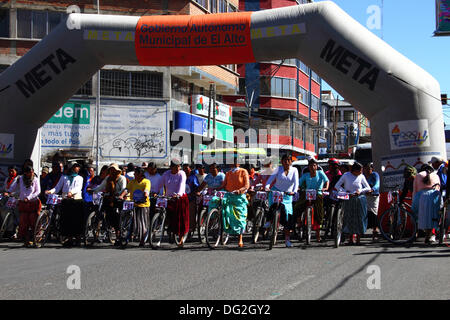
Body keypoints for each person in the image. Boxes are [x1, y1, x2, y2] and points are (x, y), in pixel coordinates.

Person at [215, 153, 250, 248]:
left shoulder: (243, 171)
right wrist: (216, 189)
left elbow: (247, 185)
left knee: (240, 218)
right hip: (229, 196)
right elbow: (224, 185)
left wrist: (239, 191)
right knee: (226, 214)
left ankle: (240, 238)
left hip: (239, 197)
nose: (233, 163)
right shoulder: (228, 173)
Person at [46, 163, 84, 247]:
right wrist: (50, 191)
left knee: (76, 220)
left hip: (76, 200)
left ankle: (78, 238)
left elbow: (78, 188)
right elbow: (57, 187)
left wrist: (71, 192)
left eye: (78, 167)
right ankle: (69, 238)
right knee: (66, 220)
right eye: (75, 167)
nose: (77, 168)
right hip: (66, 200)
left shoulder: (79, 178)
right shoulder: (64, 177)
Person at [265, 154, 299, 247]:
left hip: (288, 194)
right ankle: (269, 221)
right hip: (276, 192)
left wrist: (294, 191)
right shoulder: (278, 169)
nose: (287, 162)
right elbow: (270, 180)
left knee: (287, 216)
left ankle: (287, 239)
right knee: (273, 205)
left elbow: (296, 183)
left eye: (289, 160)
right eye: (285, 160)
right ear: (282, 161)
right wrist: (267, 187)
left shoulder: (294, 170)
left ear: (291, 162)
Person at [88, 163, 127, 245]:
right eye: (111, 169)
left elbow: (123, 189)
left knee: (116, 216)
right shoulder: (107, 178)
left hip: (117, 199)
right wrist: (93, 190)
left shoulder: (121, 178)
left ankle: (118, 235)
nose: (112, 171)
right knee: (102, 212)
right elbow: (101, 187)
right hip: (109, 197)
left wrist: (119, 195)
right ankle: (101, 230)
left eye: (113, 169)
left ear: (117, 170)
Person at [334, 162, 371, 245]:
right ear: (354, 170)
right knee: (349, 217)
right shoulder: (346, 175)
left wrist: (360, 191)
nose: (361, 172)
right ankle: (350, 239)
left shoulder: (361, 176)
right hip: (349, 199)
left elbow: (368, 187)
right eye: (360, 171)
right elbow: (337, 186)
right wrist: (345, 191)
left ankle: (358, 239)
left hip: (359, 199)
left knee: (359, 218)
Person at [295, 158, 329, 242]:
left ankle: (318, 235)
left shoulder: (320, 173)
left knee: (318, 213)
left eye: (314, 165)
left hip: (318, 194)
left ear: (316, 166)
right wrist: (298, 187)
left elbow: (326, 180)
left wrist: (326, 187)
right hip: (307, 193)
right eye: (310, 165)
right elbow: (299, 182)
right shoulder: (306, 175)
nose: (312, 167)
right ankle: (299, 223)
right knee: (297, 206)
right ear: (308, 167)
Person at [8, 166, 41, 247]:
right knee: (23, 222)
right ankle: (26, 240)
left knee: (33, 220)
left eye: (32, 171)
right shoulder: (20, 179)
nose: (31, 173)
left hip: (33, 203)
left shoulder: (35, 179)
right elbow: (13, 187)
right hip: (23, 203)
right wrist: (8, 192)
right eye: (30, 172)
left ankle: (34, 239)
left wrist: (29, 197)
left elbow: (38, 191)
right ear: (25, 173)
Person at [161, 160, 189, 246]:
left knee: (180, 219)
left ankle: (180, 238)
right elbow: (160, 184)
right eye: (176, 166)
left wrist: (178, 194)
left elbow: (182, 185)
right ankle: (168, 229)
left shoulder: (182, 174)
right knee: (166, 215)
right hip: (169, 198)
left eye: (179, 166)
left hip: (180, 198)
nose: (178, 168)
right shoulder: (166, 174)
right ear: (171, 167)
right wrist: (155, 192)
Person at [120, 167, 151, 247]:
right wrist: (122, 195)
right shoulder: (132, 182)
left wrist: (145, 195)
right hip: (134, 204)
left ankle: (142, 240)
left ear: (140, 174)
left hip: (143, 204)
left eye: (135, 173)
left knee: (143, 223)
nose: (134, 175)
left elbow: (146, 190)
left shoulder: (146, 182)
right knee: (133, 221)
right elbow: (127, 189)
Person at [411, 164, 441, 244]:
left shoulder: (418, 175)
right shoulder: (436, 175)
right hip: (435, 196)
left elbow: (415, 190)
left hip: (422, 197)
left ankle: (426, 234)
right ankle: (430, 234)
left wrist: (413, 203)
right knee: (433, 216)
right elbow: (439, 187)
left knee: (422, 217)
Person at [363, 163, 380, 242]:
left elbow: (377, 184)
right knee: (364, 213)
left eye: (368, 169)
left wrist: (372, 189)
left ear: (371, 169)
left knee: (373, 213)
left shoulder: (375, 175)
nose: (366, 170)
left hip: (373, 196)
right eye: (365, 169)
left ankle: (375, 230)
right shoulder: (363, 176)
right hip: (365, 196)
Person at [183, 164, 200, 235]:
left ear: (190, 169)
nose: (185, 170)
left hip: (191, 198)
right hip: (183, 198)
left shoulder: (193, 177)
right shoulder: (182, 177)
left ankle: (190, 230)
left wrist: (195, 193)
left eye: (186, 168)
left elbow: (197, 187)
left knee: (191, 215)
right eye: (184, 169)